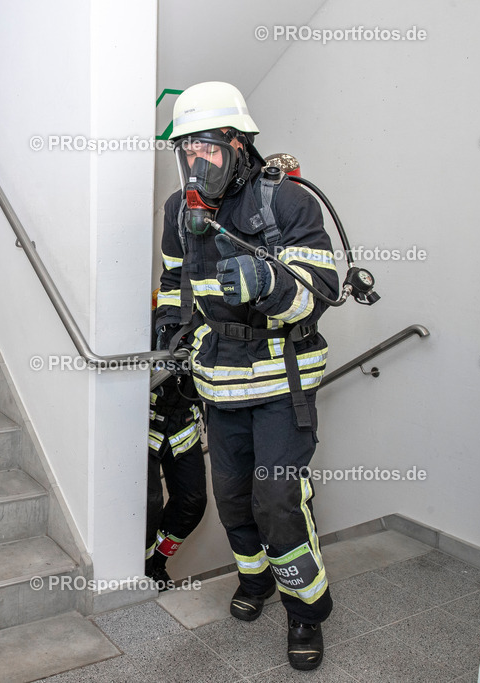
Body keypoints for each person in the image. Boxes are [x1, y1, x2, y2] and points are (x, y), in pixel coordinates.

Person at [155, 82, 338, 671]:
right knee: (232, 499)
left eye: (206, 147)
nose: (194, 162)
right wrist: (169, 333)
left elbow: (323, 291)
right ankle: (255, 581)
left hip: (282, 383)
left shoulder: (287, 202)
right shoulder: (178, 212)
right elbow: (175, 282)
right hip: (218, 382)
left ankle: (306, 612)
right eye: (185, 149)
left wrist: (269, 284)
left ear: (239, 143)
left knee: (278, 500)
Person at [145, 302, 207, 591]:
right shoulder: (150, 312)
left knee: (193, 503)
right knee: (149, 504)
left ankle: (156, 562)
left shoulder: (218, 310)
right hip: (144, 426)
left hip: (183, 423)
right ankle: (141, 569)